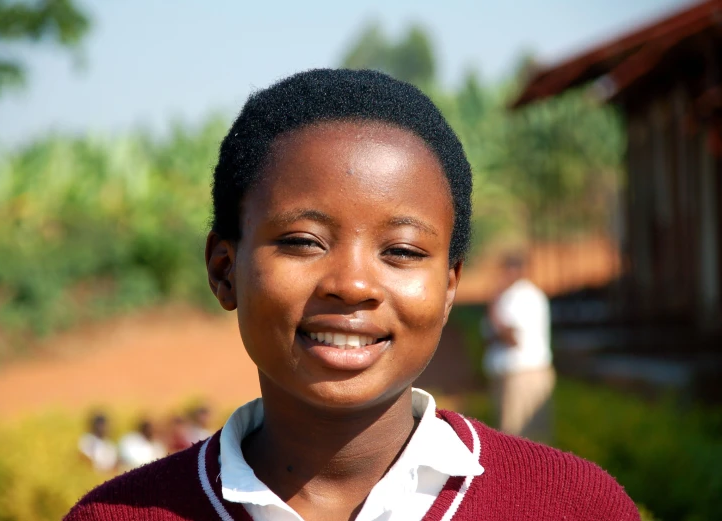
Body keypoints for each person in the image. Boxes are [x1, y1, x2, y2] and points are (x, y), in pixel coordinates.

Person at [65, 69, 639, 520]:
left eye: (403, 251)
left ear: (449, 287)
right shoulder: (119, 515)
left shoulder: (575, 506)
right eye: (303, 241)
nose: (353, 284)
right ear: (224, 270)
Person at [482, 253, 555, 442]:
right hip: (514, 375)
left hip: (523, 376)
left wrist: (493, 311)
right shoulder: (511, 295)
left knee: (518, 440)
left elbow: (511, 338)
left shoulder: (523, 296)